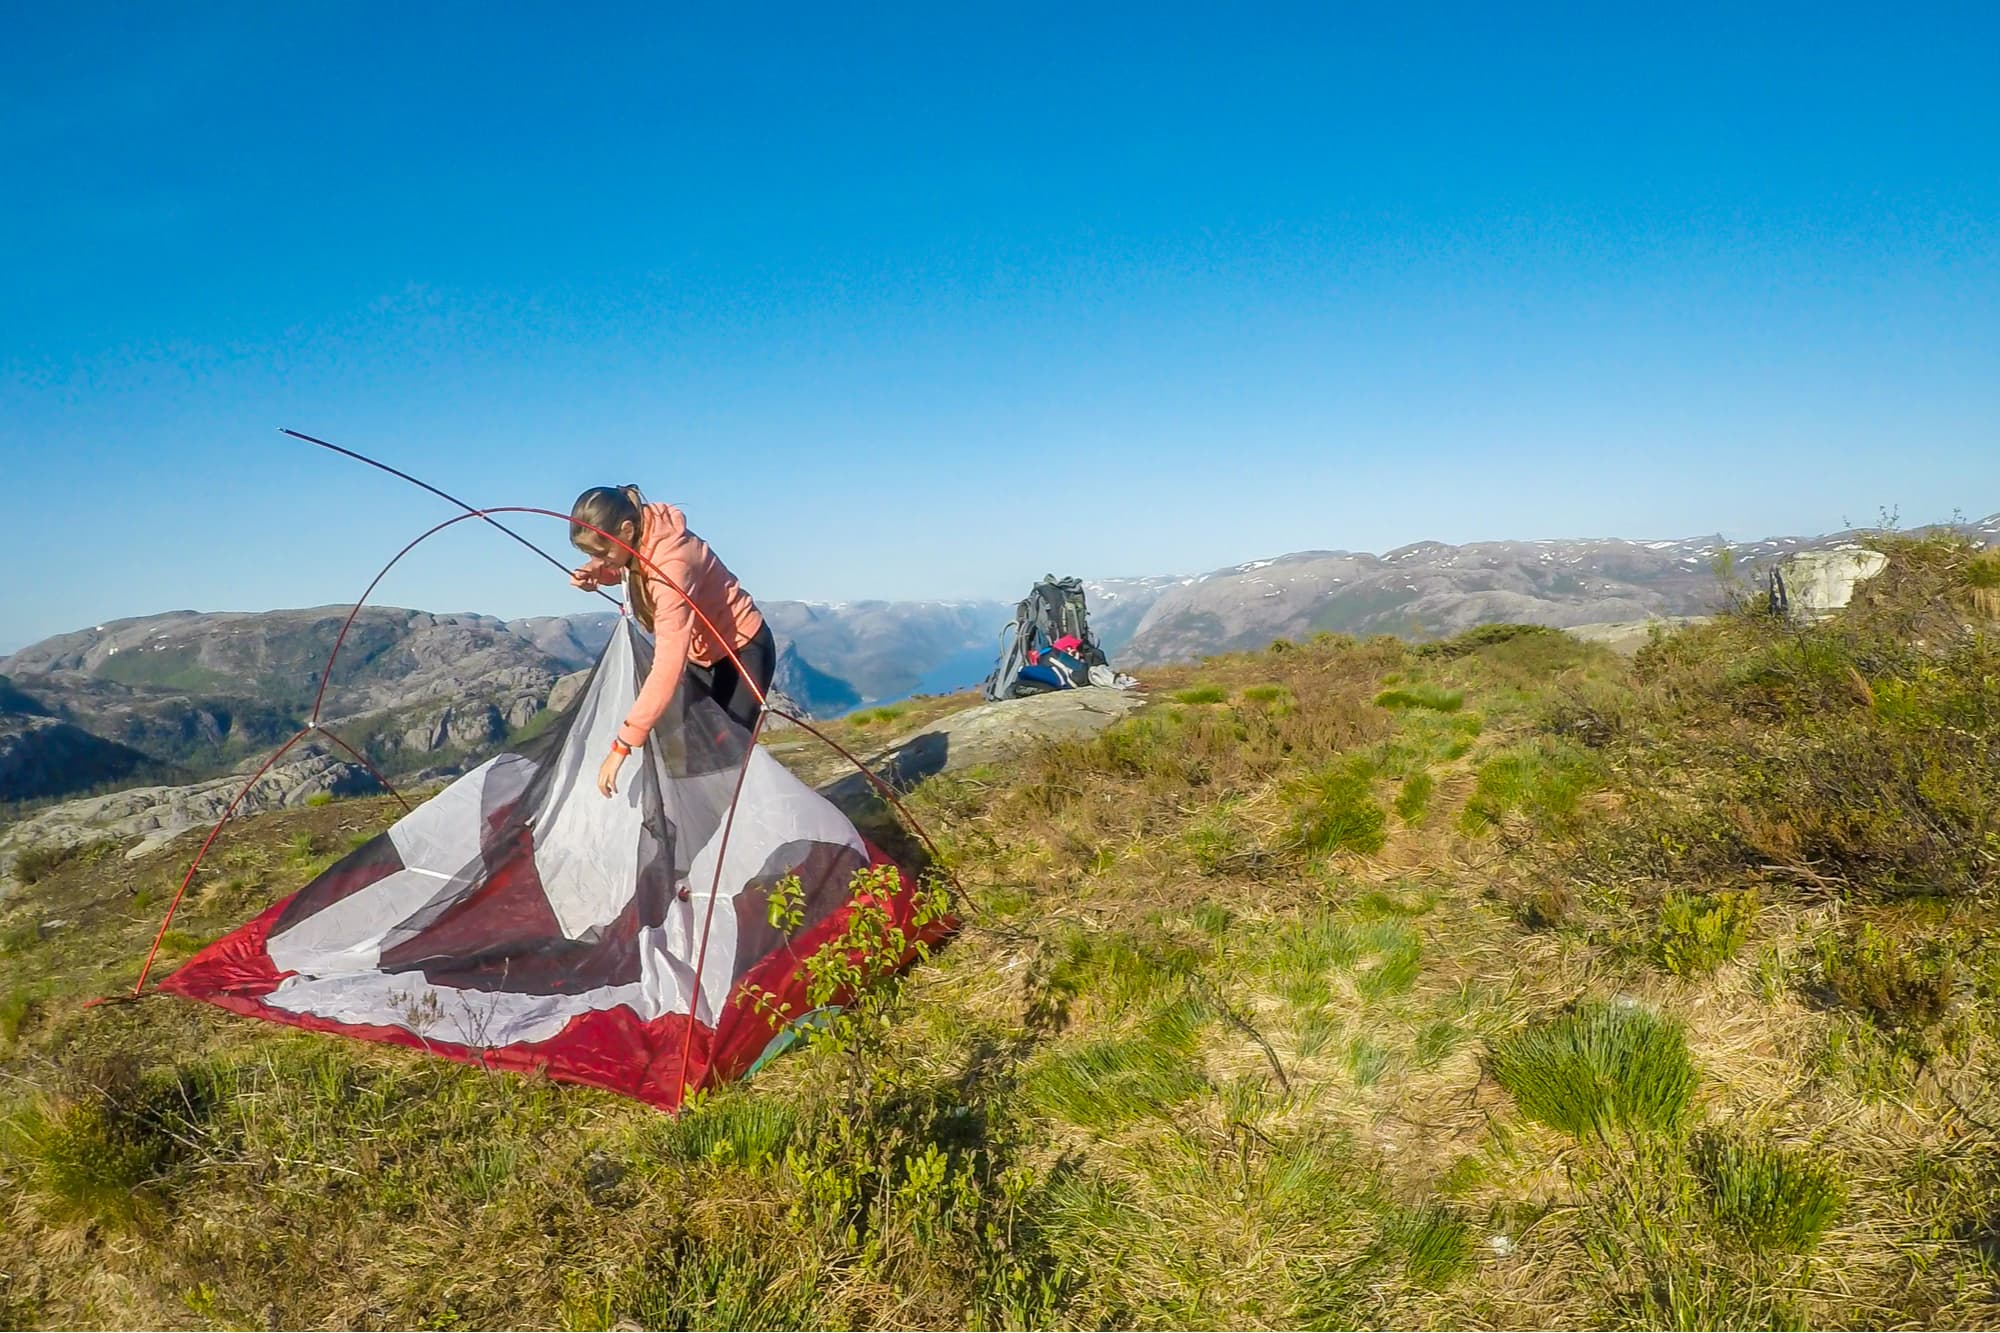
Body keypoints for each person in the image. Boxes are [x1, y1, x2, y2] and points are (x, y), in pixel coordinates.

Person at [568, 485, 775, 797]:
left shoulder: (672, 565)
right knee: (685, 753)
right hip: (702, 655)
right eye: (589, 555)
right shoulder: (642, 532)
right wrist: (599, 573)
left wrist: (623, 745)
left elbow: (667, 665)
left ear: (626, 530)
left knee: (723, 760)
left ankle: (739, 827)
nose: (597, 559)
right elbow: (631, 565)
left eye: (600, 552)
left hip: (742, 653)